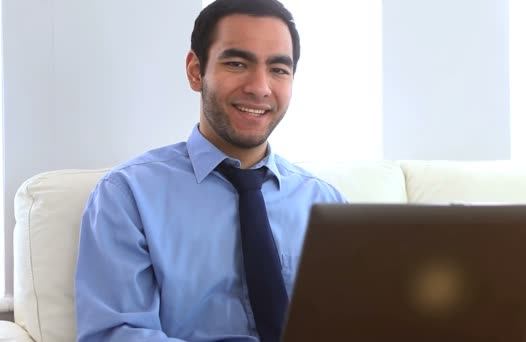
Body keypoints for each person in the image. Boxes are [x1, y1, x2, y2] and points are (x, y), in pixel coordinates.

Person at [74, 0, 347, 341]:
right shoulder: (127, 196)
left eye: (278, 69)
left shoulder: (326, 203)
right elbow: (116, 335)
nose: (260, 87)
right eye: (237, 63)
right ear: (195, 71)